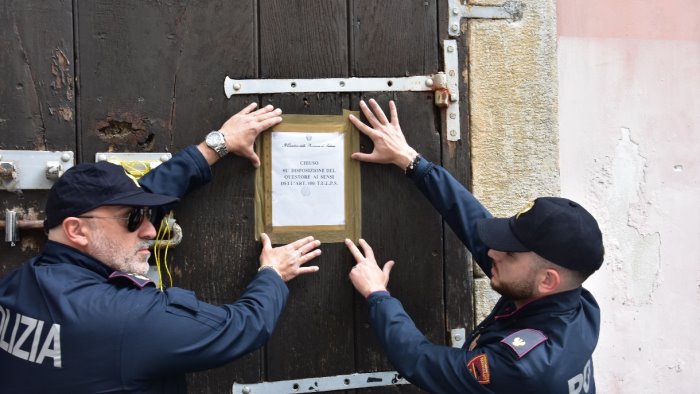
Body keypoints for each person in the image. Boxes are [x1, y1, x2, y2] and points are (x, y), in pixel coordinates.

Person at [0, 103, 322, 393]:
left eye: (143, 214)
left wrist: (218, 145)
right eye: (132, 219)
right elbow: (243, 327)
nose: (151, 230)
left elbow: (143, 197)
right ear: (76, 230)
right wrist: (272, 273)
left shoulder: (14, 288)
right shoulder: (127, 317)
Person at [344, 99, 604, 393]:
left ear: (547, 280)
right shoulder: (573, 302)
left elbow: (419, 360)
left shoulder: (523, 367)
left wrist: (378, 295)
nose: (492, 253)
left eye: (509, 253)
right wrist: (412, 162)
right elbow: (475, 225)